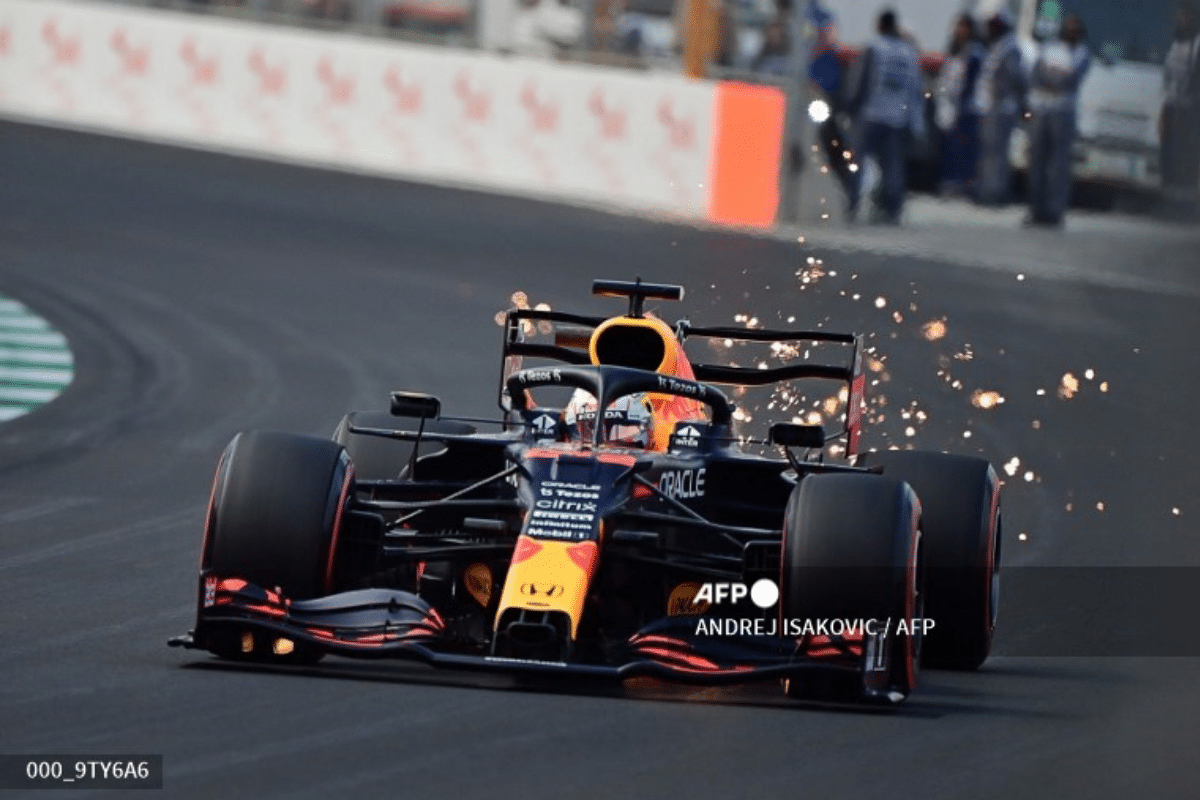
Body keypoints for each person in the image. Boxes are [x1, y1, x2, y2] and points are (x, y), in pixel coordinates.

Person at [845, 8, 925, 224]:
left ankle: (851, 205)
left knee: (857, 162)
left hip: (871, 114)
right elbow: (914, 88)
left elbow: (862, 81)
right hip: (897, 118)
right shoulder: (908, 53)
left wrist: (851, 107)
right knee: (893, 166)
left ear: (880, 24)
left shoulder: (873, 47)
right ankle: (893, 210)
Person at [1024, 13, 1090, 227]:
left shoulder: (1082, 52)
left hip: (1063, 112)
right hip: (1042, 109)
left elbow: (1069, 79)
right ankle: (1036, 209)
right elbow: (1036, 73)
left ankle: (1054, 212)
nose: (1071, 32)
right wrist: (1053, 75)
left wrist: (1051, 76)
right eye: (1068, 27)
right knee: (1037, 161)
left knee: (1059, 164)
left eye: (1075, 29)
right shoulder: (1050, 48)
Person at [975, 10, 1026, 205]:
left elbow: (1016, 77)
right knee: (988, 152)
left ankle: (996, 193)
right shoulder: (995, 46)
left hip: (1002, 107)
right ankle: (986, 189)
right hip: (990, 106)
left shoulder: (1010, 47)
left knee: (997, 154)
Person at [935, 14, 984, 196]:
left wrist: (960, 105)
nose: (959, 31)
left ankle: (961, 183)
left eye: (963, 27)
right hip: (949, 105)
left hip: (965, 108)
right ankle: (949, 181)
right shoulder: (955, 50)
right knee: (948, 146)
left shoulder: (974, 52)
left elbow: (970, 84)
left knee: (962, 147)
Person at [1161, 1, 1200, 214]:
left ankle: (1183, 207)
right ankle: (1169, 203)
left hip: (1189, 111)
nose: (1179, 19)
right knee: (1170, 155)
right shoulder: (1175, 43)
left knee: (1185, 156)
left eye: (1183, 16)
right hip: (1172, 105)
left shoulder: (1197, 45)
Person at [509, 0, 584, 58]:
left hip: (546, 61)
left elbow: (571, 34)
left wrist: (544, 31)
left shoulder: (551, 12)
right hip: (520, 60)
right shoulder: (521, 16)